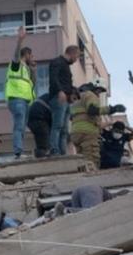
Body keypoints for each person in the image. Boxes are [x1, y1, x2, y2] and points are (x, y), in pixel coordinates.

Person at [70, 79, 125, 169]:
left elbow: (72, 116)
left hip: (75, 132)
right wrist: (111, 109)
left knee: (81, 161)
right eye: (99, 91)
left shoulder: (78, 99)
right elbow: (92, 110)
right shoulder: (90, 95)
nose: (99, 94)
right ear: (96, 88)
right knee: (91, 160)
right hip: (87, 133)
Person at [5, 26, 35, 159]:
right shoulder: (16, 65)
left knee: (22, 127)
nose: (32, 58)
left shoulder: (26, 69)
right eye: (31, 55)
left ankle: (19, 151)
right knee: (19, 126)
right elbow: (16, 55)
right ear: (27, 55)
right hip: (17, 99)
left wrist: (33, 69)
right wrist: (19, 40)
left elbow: (32, 85)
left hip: (25, 101)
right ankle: (18, 152)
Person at [48, 45, 81, 156]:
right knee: (57, 125)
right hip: (59, 98)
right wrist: (60, 91)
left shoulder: (66, 65)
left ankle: (62, 152)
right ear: (72, 53)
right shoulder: (57, 62)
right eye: (77, 56)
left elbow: (66, 82)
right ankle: (54, 149)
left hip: (65, 99)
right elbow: (54, 78)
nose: (76, 59)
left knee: (64, 129)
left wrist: (71, 94)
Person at [28, 89, 79, 158]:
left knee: (44, 142)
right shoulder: (61, 100)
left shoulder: (60, 100)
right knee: (44, 144)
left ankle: (44, 156)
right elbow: (58, 126)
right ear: (70, 94)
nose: (73, 101)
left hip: (38, 118)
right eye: (74, 98)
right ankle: (46, 157)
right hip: (38, 118)